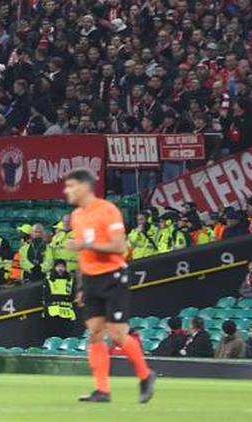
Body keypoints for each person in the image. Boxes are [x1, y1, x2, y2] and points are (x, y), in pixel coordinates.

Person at [63, 168, 155, 404]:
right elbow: (83, 254)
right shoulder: (76, 216)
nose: (67, 191)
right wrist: (81, 285)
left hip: (113, 275)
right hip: (92, 279)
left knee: (117, 334)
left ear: (84, 187)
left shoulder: (108, 210)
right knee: (94, 332)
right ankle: (102, 390)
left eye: (71, 186)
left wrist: (86, 244)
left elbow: (119, 247)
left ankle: (145, 376)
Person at [42, 259, 79, 339]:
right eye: (58, 266)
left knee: (67, 335)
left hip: (67, 311)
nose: (60, 268)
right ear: (54, 267)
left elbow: (72, 295)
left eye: (62, 266)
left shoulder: (70, 280)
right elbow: (46, 295)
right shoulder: (49, 279)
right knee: (53, 335)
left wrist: (65, 299)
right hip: (53, 311)